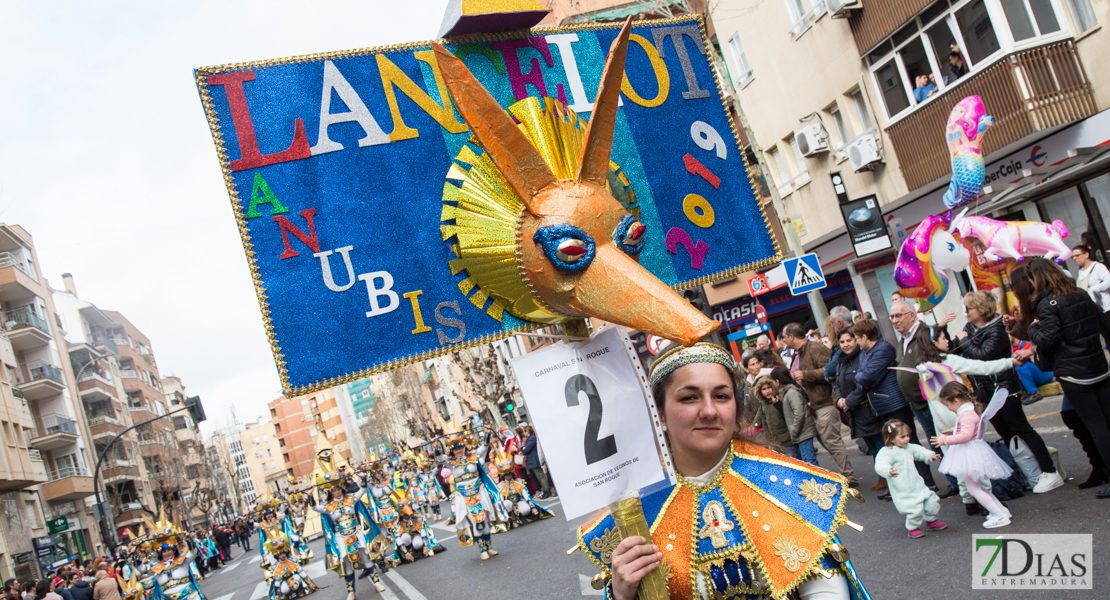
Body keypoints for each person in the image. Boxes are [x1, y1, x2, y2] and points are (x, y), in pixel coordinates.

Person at [582, 343, 869, 599]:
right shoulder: (635, 511)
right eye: (689, 398)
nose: (709, 411)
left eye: (721, 396)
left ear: (736, 410)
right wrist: (622, 594)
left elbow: (825, 588)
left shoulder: (787, 484)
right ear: (660, 414)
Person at [1010, 259, 1110, 498]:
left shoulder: (1047, 304)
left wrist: (1033, 328)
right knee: (1102, 423)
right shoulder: (1080, 293)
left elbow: (1048, 339)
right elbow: (1098, 319)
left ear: (1038, 278)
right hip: (1098, 365)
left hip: (1075, 374)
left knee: (1097, 427)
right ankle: (1100, 469)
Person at [950, 291, 1063, 493]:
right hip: (983, 390)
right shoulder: (970, 328)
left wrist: (963, 341)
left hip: (1003, 387)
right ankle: (1028, 473)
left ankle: (1050, 471)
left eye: (969, 308)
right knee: (1006, 434)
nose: (965, 312)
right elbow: (959, 349)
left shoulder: (996, 329)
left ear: (982, 310)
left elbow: (983, 356)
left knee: (1022, 430)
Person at [852, 319, 924, 496]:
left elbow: (867, 377)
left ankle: (926, 482)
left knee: (909, 444)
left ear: (865, 336)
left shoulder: (883, 349)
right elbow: (860, 377)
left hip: (894, 404)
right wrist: (863, 379)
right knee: (893, 449)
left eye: (856, 338)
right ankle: (903, 486)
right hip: (880, 405)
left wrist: (863, 379)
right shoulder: (865, 353)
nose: (855, 342)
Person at [782, 322, 858, 484]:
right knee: (825, 442)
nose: (783, 341)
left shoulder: (816, 348)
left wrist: (806, 375)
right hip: (811, 406)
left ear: (791, 336)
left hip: (823, 402)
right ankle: (841, 474)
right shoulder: (796, 354)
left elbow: (830, 371)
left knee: (832, 440)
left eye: (784, 337)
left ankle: (849, 475)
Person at [932, 382, 1014, 528]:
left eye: (948, 405)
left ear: (956, 400)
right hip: (972, 451)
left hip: (970, 452)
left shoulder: (966, 414)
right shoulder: (970, 410)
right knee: (977, 487)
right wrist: (954, 430)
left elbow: (966, 436)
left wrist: (944, 440)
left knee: (973, 488)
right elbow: (970, 430)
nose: (949, 409)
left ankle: (1000, 515)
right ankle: (1000, 511)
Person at [889, 301, 942, 491]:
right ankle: (954, 482)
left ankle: (961, 484)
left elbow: (937, 364)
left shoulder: (925, 334)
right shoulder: (903, 339)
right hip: (916, 404)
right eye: (892, 317)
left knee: (944, 442)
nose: (895, 320)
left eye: (899, 315)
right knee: (936, 444)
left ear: (912, 315)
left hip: (932, 400)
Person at [874, 420, 945, 538]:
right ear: (891, 439)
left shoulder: (909, 447)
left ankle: (931, 522)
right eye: (902, 437)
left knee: (932, 501)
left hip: (917, 483)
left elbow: (920, 451)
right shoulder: (886, 452)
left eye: (908, 435)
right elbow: (880, 464)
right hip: (903, 487)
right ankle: (913, 528)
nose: (907, 439)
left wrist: (929, 455)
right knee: (914, 508)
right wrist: (888, 470)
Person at [833, 328, 882, 459]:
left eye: (849, 340)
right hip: (856, 415)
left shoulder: (863, 357)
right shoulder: (841, 362)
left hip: (869, 411)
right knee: (873, 451)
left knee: (882, 451)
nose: (846, 344)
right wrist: (839, 400)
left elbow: (865, 385)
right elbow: (838, 384)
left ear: (856, 340)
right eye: (842, 342)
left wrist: (849, 401)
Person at [768, 367, 819, 466]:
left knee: (810, 462)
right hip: (802, 433)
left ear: (777, 381)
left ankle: (820, 481)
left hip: (803, 433)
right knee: (808, 461)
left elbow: (799, 414)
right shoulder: (788, 392)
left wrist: (794, 431)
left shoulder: (791, 393)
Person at [1073, 244, 1110, 311]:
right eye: (1073, 257)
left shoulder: (1098, 267)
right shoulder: (1080, 271)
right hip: (1092, 308)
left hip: (1104, 307)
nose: (1074, 258)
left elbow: (1108, 281)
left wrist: (1093, 289)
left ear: (1086, 254)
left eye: (1077, 255)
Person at [520, 425, 553, 499]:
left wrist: (523, 449)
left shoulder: (532, 438)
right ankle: (545, 490)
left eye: (524, 431)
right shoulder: (530, 438)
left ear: (527, 431)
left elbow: (527, 449)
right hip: (532, 459)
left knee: (540, 476)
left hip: (534, 459)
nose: (523, 433)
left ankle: (546, 490)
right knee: (539, 476)